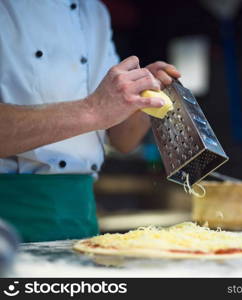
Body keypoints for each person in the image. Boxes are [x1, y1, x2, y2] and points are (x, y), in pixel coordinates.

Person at [0, 0, 181, 242]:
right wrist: (93, 109)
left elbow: (124, 141)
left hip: (80, 215)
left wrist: (141, 98)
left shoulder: (94, 11)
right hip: (9, 215)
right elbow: (99, 110)